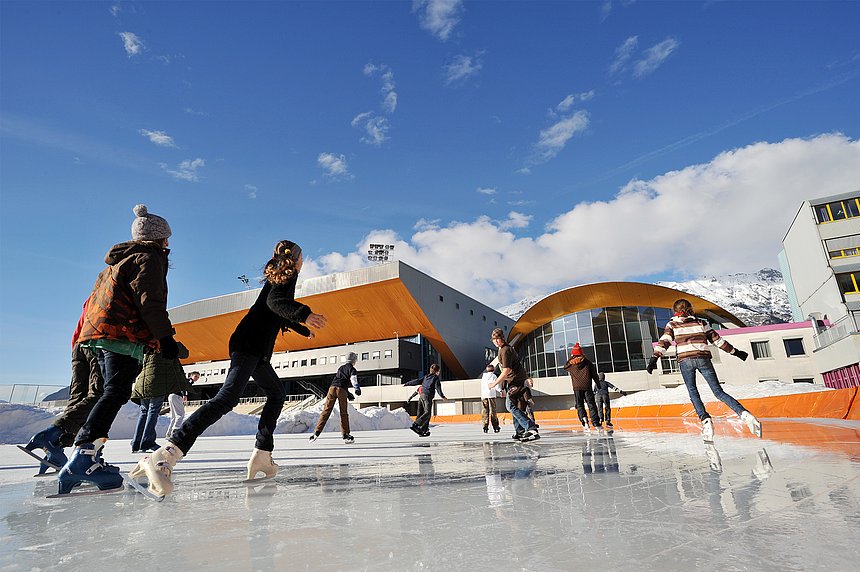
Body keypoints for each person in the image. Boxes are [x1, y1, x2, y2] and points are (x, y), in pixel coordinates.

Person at [131, 240, 326, 497]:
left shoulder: (280, 277)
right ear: (298, 260)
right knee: (227, 398)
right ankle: (166, 454)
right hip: (249, 346)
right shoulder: (286, 280)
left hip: (253, 348)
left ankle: (262, 454)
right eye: (303, 258)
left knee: (277, 393)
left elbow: (274, 310)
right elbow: (276, 303)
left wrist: (302, 327)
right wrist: (305, 314)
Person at [56, 205, 178, 495]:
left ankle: (86, 456)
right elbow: (150, 303)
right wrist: (166, 337)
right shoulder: (148, 258)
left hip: (102, 335)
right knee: (115, 391)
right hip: (121, 335)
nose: (169, 243)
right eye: (166, 238)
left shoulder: (118, 262)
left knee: (112, 391)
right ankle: (83, 455)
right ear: (158, 238)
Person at [647, 298, 761, 441]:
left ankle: (706, 420)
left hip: (685, 360)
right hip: (703, 359)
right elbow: (718, 341)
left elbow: (664, 342)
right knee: (718, 392)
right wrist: (735, 352)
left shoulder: (672, 324)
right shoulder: (701, 322)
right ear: (690, 309)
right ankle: (745, 414)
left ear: (675, 311)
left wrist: (654, 359)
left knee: (693, 392)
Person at [22, 298, 105, 474]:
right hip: (98, 342)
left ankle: (55, 450)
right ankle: (54, 437)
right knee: (101, 398)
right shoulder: (119, 286)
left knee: (78, 400)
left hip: (79, 343)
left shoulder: (96, 293)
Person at [130, 342, 190, 453]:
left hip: (143, 381)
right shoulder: (169, 345)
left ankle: (136, 442)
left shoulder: (147, 345)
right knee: (153, 411)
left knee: (144, 412)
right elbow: (185, 354)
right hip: (158, 382)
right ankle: (147, 441)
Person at [488, 328, 539, 442]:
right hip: (514, 380)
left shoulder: (505, 350)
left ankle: (531, 427)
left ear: (502, 338)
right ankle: (519, 431)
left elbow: (506, 370)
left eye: (498, 339)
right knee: (515, 405)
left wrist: (494, 384)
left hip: (516, 380)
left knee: (510, 405)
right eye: (494, 339)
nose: (496, 341)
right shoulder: (502, 349)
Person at [309, 352, 361, 444]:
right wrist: (357, 388)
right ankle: (345, 435)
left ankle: (316, 432)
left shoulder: (341, 368)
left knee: (326, 410)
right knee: (343, 413)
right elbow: (353, 379)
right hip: (341, 390)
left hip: (332, 388)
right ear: (353, 360)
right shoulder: (352, 369)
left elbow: (340, 380)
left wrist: (347, 393)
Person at [563, 343, 601, 431]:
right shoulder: (587, 362)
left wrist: (572, 357)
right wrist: (598, 384)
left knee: (579, 405)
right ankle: (595, 423)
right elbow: (594, 374)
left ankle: (584, 420)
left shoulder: (571, 364)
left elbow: (565, 366)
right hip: (587, 386)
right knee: (591, 404)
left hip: (577, 388)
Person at [403, 364, 446, 437]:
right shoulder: (435, 378)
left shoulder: (426, 377)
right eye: (439, 371)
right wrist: (442, 396)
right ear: (437, 371)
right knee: (427, 413)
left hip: (421, 396)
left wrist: (408, 383)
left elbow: (417, 381)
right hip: (427, 396)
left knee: (422, 413)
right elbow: (438, 388)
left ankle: (423, 430)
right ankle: (416, 425)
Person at [166, 371, 198, 438]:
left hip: (171, 395)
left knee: (174, 416)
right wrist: (184, 395)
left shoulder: (185, 380)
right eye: (195, 376)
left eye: (198, 377)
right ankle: (175, 431)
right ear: (191, 376)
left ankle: (168, 433)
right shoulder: (189, 380)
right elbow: (184, 386)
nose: (196, 378)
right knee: (181, 414)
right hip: (177, 396)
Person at [480, 364, 500, 434]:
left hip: (484, 395)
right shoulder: (494, 376)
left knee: (485, 411)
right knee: (493, 411)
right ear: (493, 370)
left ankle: (485, 426)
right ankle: (495, 427)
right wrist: (501, 391)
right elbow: (496, 385)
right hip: (491, 395)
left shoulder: (483, 377)